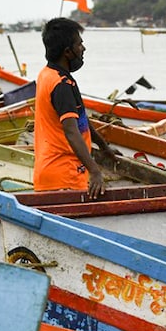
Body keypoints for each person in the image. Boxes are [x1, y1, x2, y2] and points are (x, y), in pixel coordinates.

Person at [33, 17, 117, 197]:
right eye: (79, 44)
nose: (83, 49)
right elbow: (71, 131)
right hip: (64, 176)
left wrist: (103, 147)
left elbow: (81, 120)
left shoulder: (47, 74)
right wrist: (95, 172)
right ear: (68, 52)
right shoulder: (62, 84)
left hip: (49, 172)